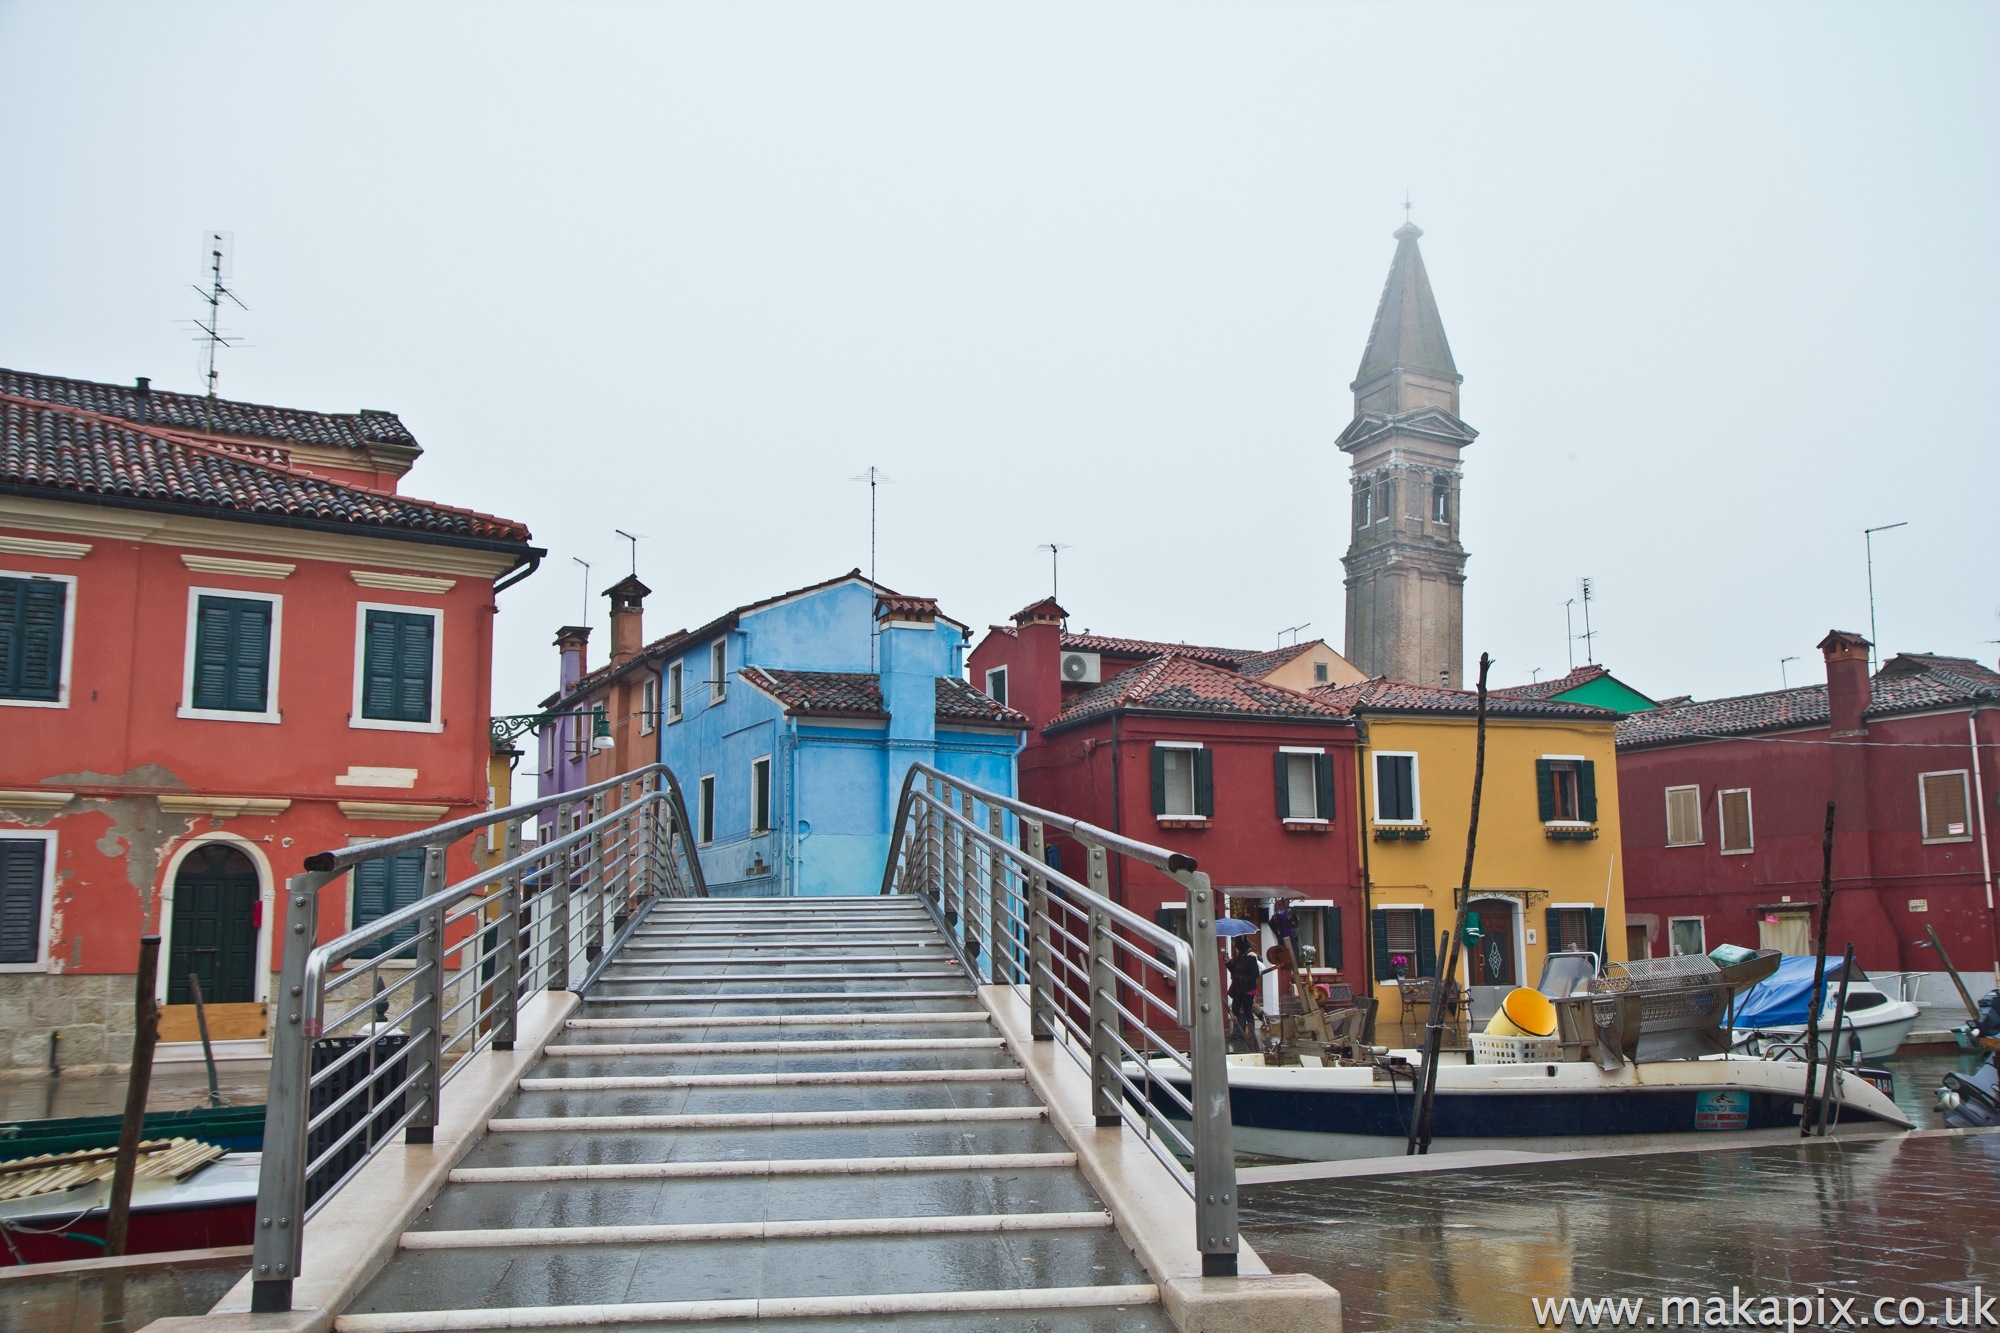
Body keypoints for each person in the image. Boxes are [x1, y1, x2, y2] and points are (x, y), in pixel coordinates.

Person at [1226, 938, 1264, 1046]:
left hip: (1247, 988)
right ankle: (1239, 1032)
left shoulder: (1250, 956)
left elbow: (1255, 973)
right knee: (1236, 1008)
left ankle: (1247, 1033)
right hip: (1238, 987)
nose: (1235, 948)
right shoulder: (1238, 956)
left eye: (1236, 946)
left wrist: (1245, 980)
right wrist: (1228, 962)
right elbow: (1234, 969)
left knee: (1248, 1009)